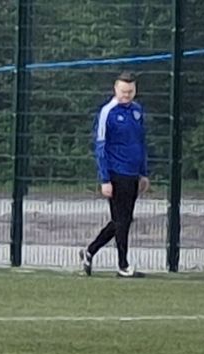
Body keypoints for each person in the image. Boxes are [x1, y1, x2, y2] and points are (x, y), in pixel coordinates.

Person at [81, 72, 149, 278]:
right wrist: (105, 179)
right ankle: (123, 265)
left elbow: (141, 143)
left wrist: (143, 173)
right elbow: (100, 147)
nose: (126, 95)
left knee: (122, 220)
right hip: (116, 173)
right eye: (123, 91)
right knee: (122, 220)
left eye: (130, 91)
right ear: (115, 89)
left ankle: (89, 251)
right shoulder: (107, 112)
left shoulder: (137, 111)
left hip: (133, 174)